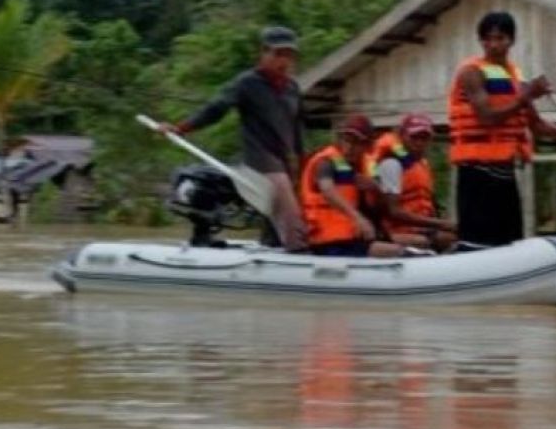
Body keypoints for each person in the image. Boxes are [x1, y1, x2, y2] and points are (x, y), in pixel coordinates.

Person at [447, 11, 556, 247]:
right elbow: (487, 118)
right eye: (488, 39)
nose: (493, 45)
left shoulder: (516, 77)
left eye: (500, 38)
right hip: (476, 170)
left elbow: (535, 124)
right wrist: (526, 96)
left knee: (508, 238)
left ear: (511, 40)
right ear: (481, 41)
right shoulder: (471, 72)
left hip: (505, 170)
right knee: (479, 240)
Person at [163, 26, 306, 250]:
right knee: (285, 200)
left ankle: (272, 247)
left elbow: (296, 128)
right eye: (279, 54)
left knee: (292, 198)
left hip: (285, 162)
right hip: (259, 159)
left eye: (289, 55)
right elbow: (216, 109)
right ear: (264, 53)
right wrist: (182, 128)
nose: (284, 61)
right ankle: (298, 249)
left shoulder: (293, 88)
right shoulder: (247, 83)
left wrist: (301, 163)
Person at [301, 114, 405, 258]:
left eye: (357, 142)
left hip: (354, 236)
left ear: (368, 145)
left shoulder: (365, 166)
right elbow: (328, 191)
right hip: (327, 239)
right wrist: (358, 218)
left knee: (407, 249)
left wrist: (375, 189)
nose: (349, 147)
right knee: (394, 252)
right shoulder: (325, 162)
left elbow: (381, 209)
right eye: (347, 140)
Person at [370, 112, 457, 252]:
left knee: (452, 237)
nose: (419, 142)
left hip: (422, 229)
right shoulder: (392, 164)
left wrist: (441, 221)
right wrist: (441, 224)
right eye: (414, 137)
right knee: (423, 241)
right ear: (402, 137)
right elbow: (394, 211)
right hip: (395, 231)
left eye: (424, 138)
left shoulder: (422, 164)